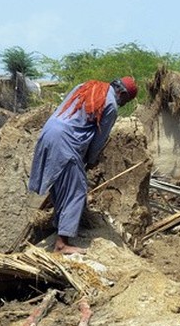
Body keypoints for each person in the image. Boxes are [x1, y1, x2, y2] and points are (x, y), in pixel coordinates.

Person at [28, 76, 138, 254]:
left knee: (60, 185)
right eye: (125, 100)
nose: (122, 104)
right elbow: (99, 140)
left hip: (48, 132)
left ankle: (60, 227)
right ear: (122, 93)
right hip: (66, 141)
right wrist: (91, 160)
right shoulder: (111, 104)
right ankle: (62, 243)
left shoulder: (85, 86)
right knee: (77, 189)